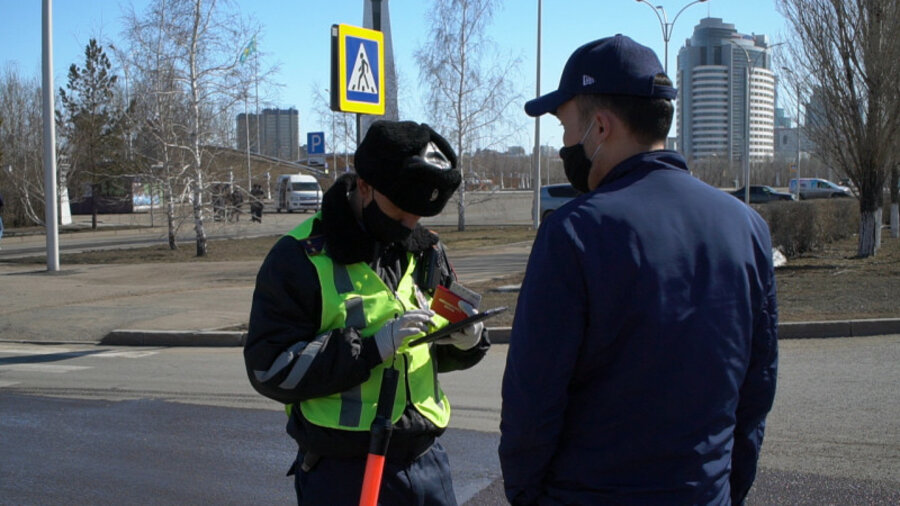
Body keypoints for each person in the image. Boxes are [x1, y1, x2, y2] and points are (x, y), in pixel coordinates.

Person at [499, 35, 778, 505]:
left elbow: (533, 402)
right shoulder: (747, 227)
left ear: (601, 127)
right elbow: (756, 390)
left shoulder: (573, 233)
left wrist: (527, 496)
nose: (565, 144)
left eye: (567, 128)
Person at [244, 120, 490, 505]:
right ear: (364, 186)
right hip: (345, 472)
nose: (411, 225)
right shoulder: (299, 257)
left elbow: (436, 343)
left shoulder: (426, 250)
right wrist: (372, 348)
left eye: (419, 215)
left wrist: (467, 341)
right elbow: (269, 367)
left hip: (426, 462)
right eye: (401, 212)